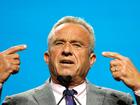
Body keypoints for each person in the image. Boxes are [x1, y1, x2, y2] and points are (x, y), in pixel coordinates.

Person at [0, 16, 140, 105]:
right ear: (47, 58)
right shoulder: (17, 103)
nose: (66, 50)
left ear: (91, 60)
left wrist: (139, 87)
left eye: (77, 44)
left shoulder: (119, 102)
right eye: (59, 43)